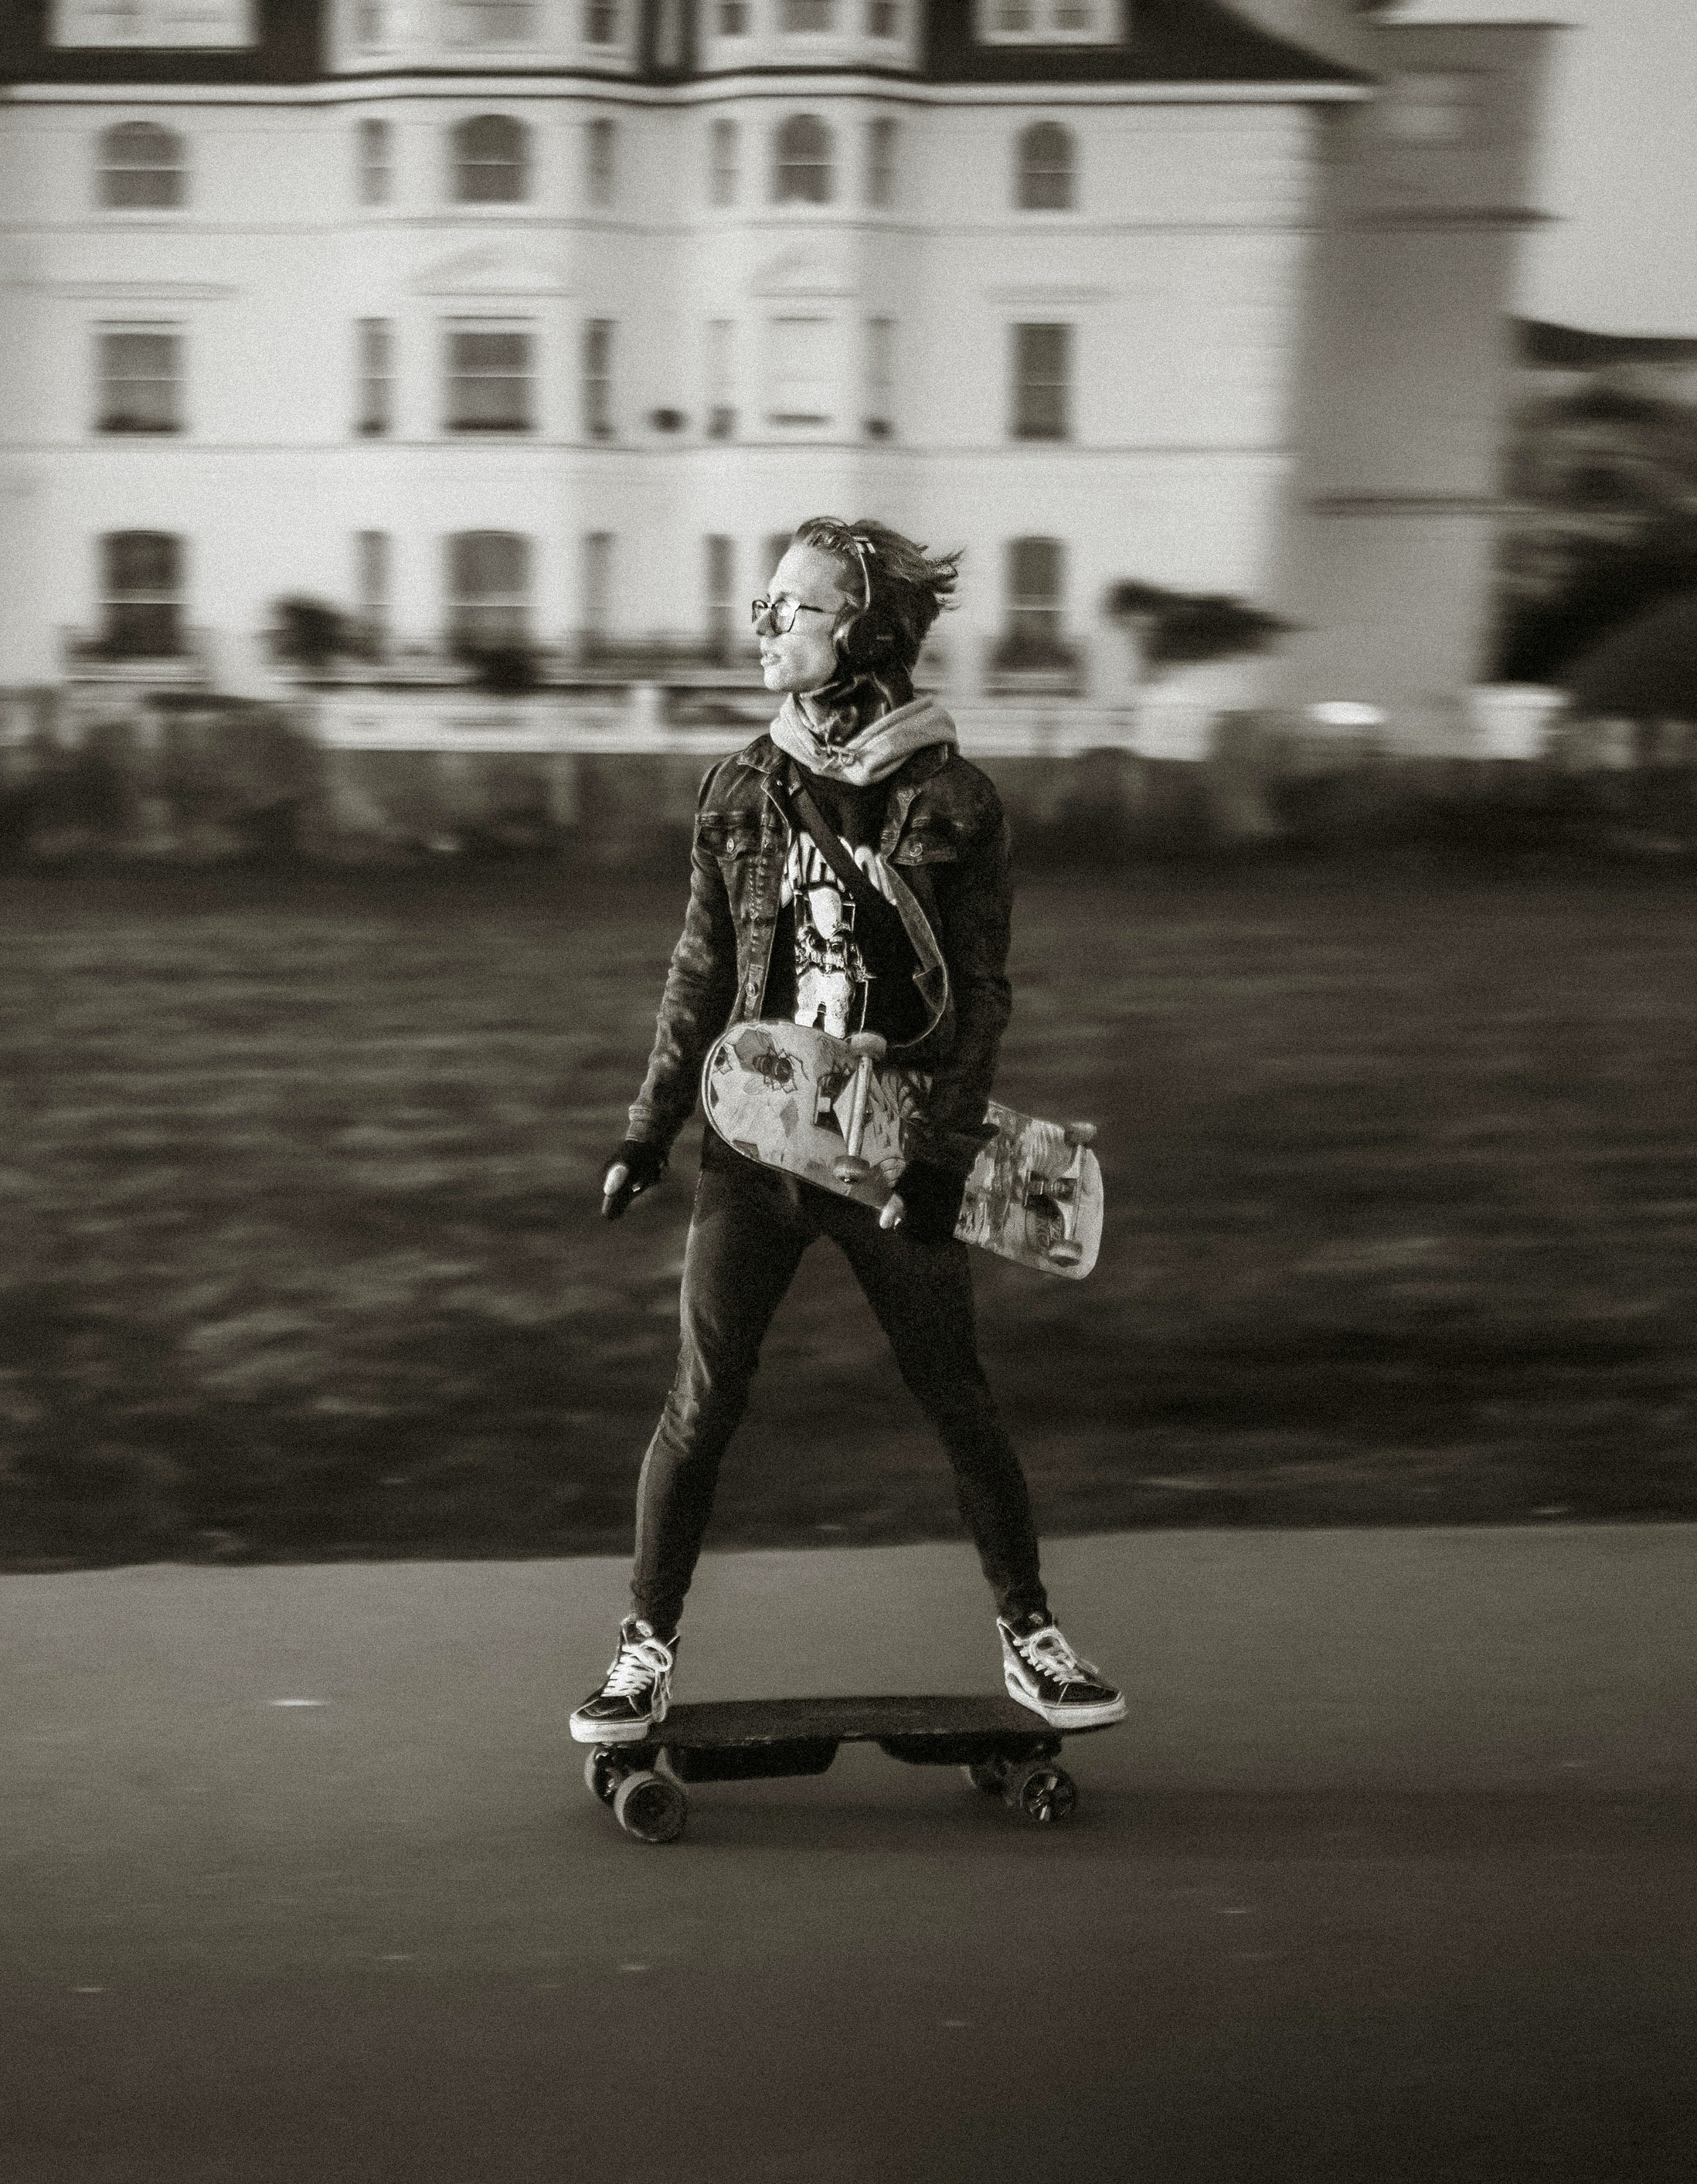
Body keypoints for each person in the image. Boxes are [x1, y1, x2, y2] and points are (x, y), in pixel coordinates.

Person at [570, 518, 1124, 1745]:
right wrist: (646, 1132)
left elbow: (980, 995)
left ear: (864, 633)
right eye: (766, 604)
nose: (763, 624)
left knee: (954, 1395)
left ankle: (1032, 1639)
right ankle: (641, 1656)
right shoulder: (739, 788)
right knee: (702, 1401)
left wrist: (939, 1160)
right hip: (757, 1148)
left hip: (890, 1152)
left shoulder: (958, 804)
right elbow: (699, 973)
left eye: (794, 608)